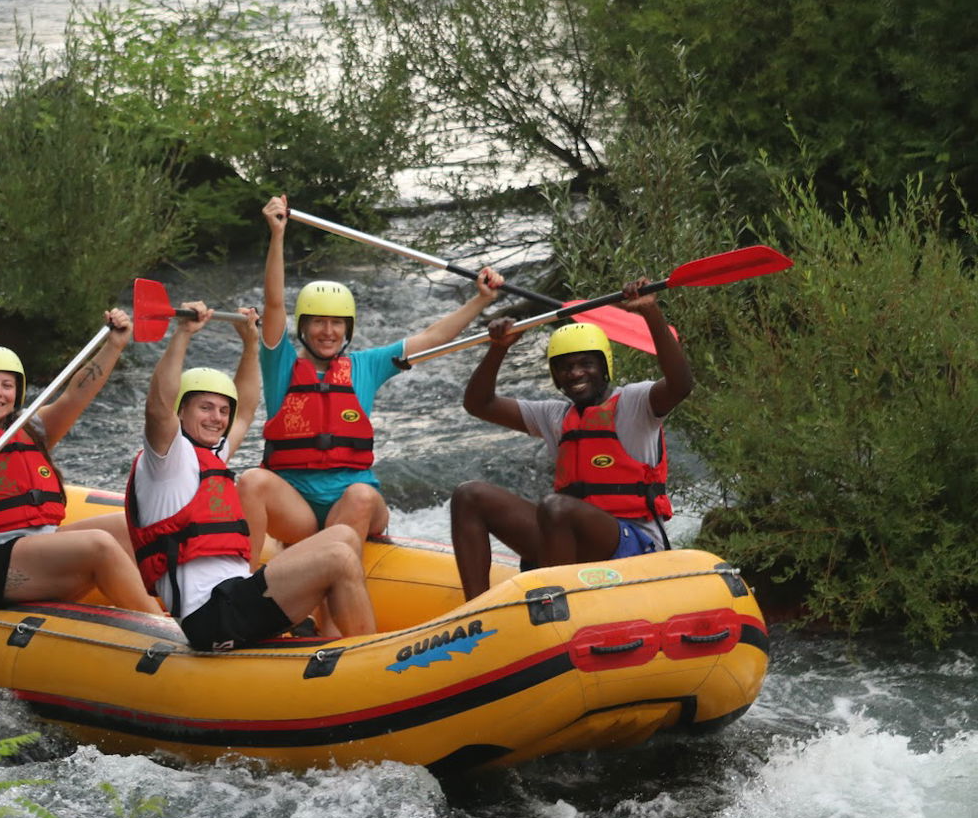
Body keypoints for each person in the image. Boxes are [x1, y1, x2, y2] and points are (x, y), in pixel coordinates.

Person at [240, 195, 505, 549]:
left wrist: (481, 300)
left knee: (361, 496)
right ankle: (241, 585)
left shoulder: (366, 365)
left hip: (355, 501)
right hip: (296, 508)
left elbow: (433, 337)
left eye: (337, 324)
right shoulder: (280, 364)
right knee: (251, 480)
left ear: (348, 329)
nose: (328, 332)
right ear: (302, 326)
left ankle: (330, 574)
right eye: (318, 322)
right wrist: (277, 234)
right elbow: (274, 303)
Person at [127, 301, 376, 650]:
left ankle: (335, 638)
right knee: (340, 557)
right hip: (209, 617)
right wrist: (182, 335)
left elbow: (244, 408)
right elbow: (156, 406)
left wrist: (250, 344)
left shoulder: (212, 453)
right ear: (180, 410)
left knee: (344, 537)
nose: (217, 417)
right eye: (205, 407)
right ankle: (371, 657)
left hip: (239, 598)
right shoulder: (165, 458)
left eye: (221, 410)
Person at [449, 278, 693, 600]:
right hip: (566, 537)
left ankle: (553, 608)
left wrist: (651, 313)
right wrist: (498, 349)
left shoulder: (634, 403)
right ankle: (476, 613)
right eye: (564, 368)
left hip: (633, 542)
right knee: (470, 495)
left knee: (556, 508)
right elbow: (479, 404)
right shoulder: (555, 415)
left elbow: (680, 384)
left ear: (603, 367)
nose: (575, 373)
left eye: (584, 364)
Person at [0, 310, 163, 614]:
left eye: (7, 385)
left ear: (18, 391)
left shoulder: (30, 431)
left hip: (38, 545)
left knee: (128, 527)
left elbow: (76, 395)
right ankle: (159, 628)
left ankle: (170, 605)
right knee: (99, 544)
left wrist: (114, 344)